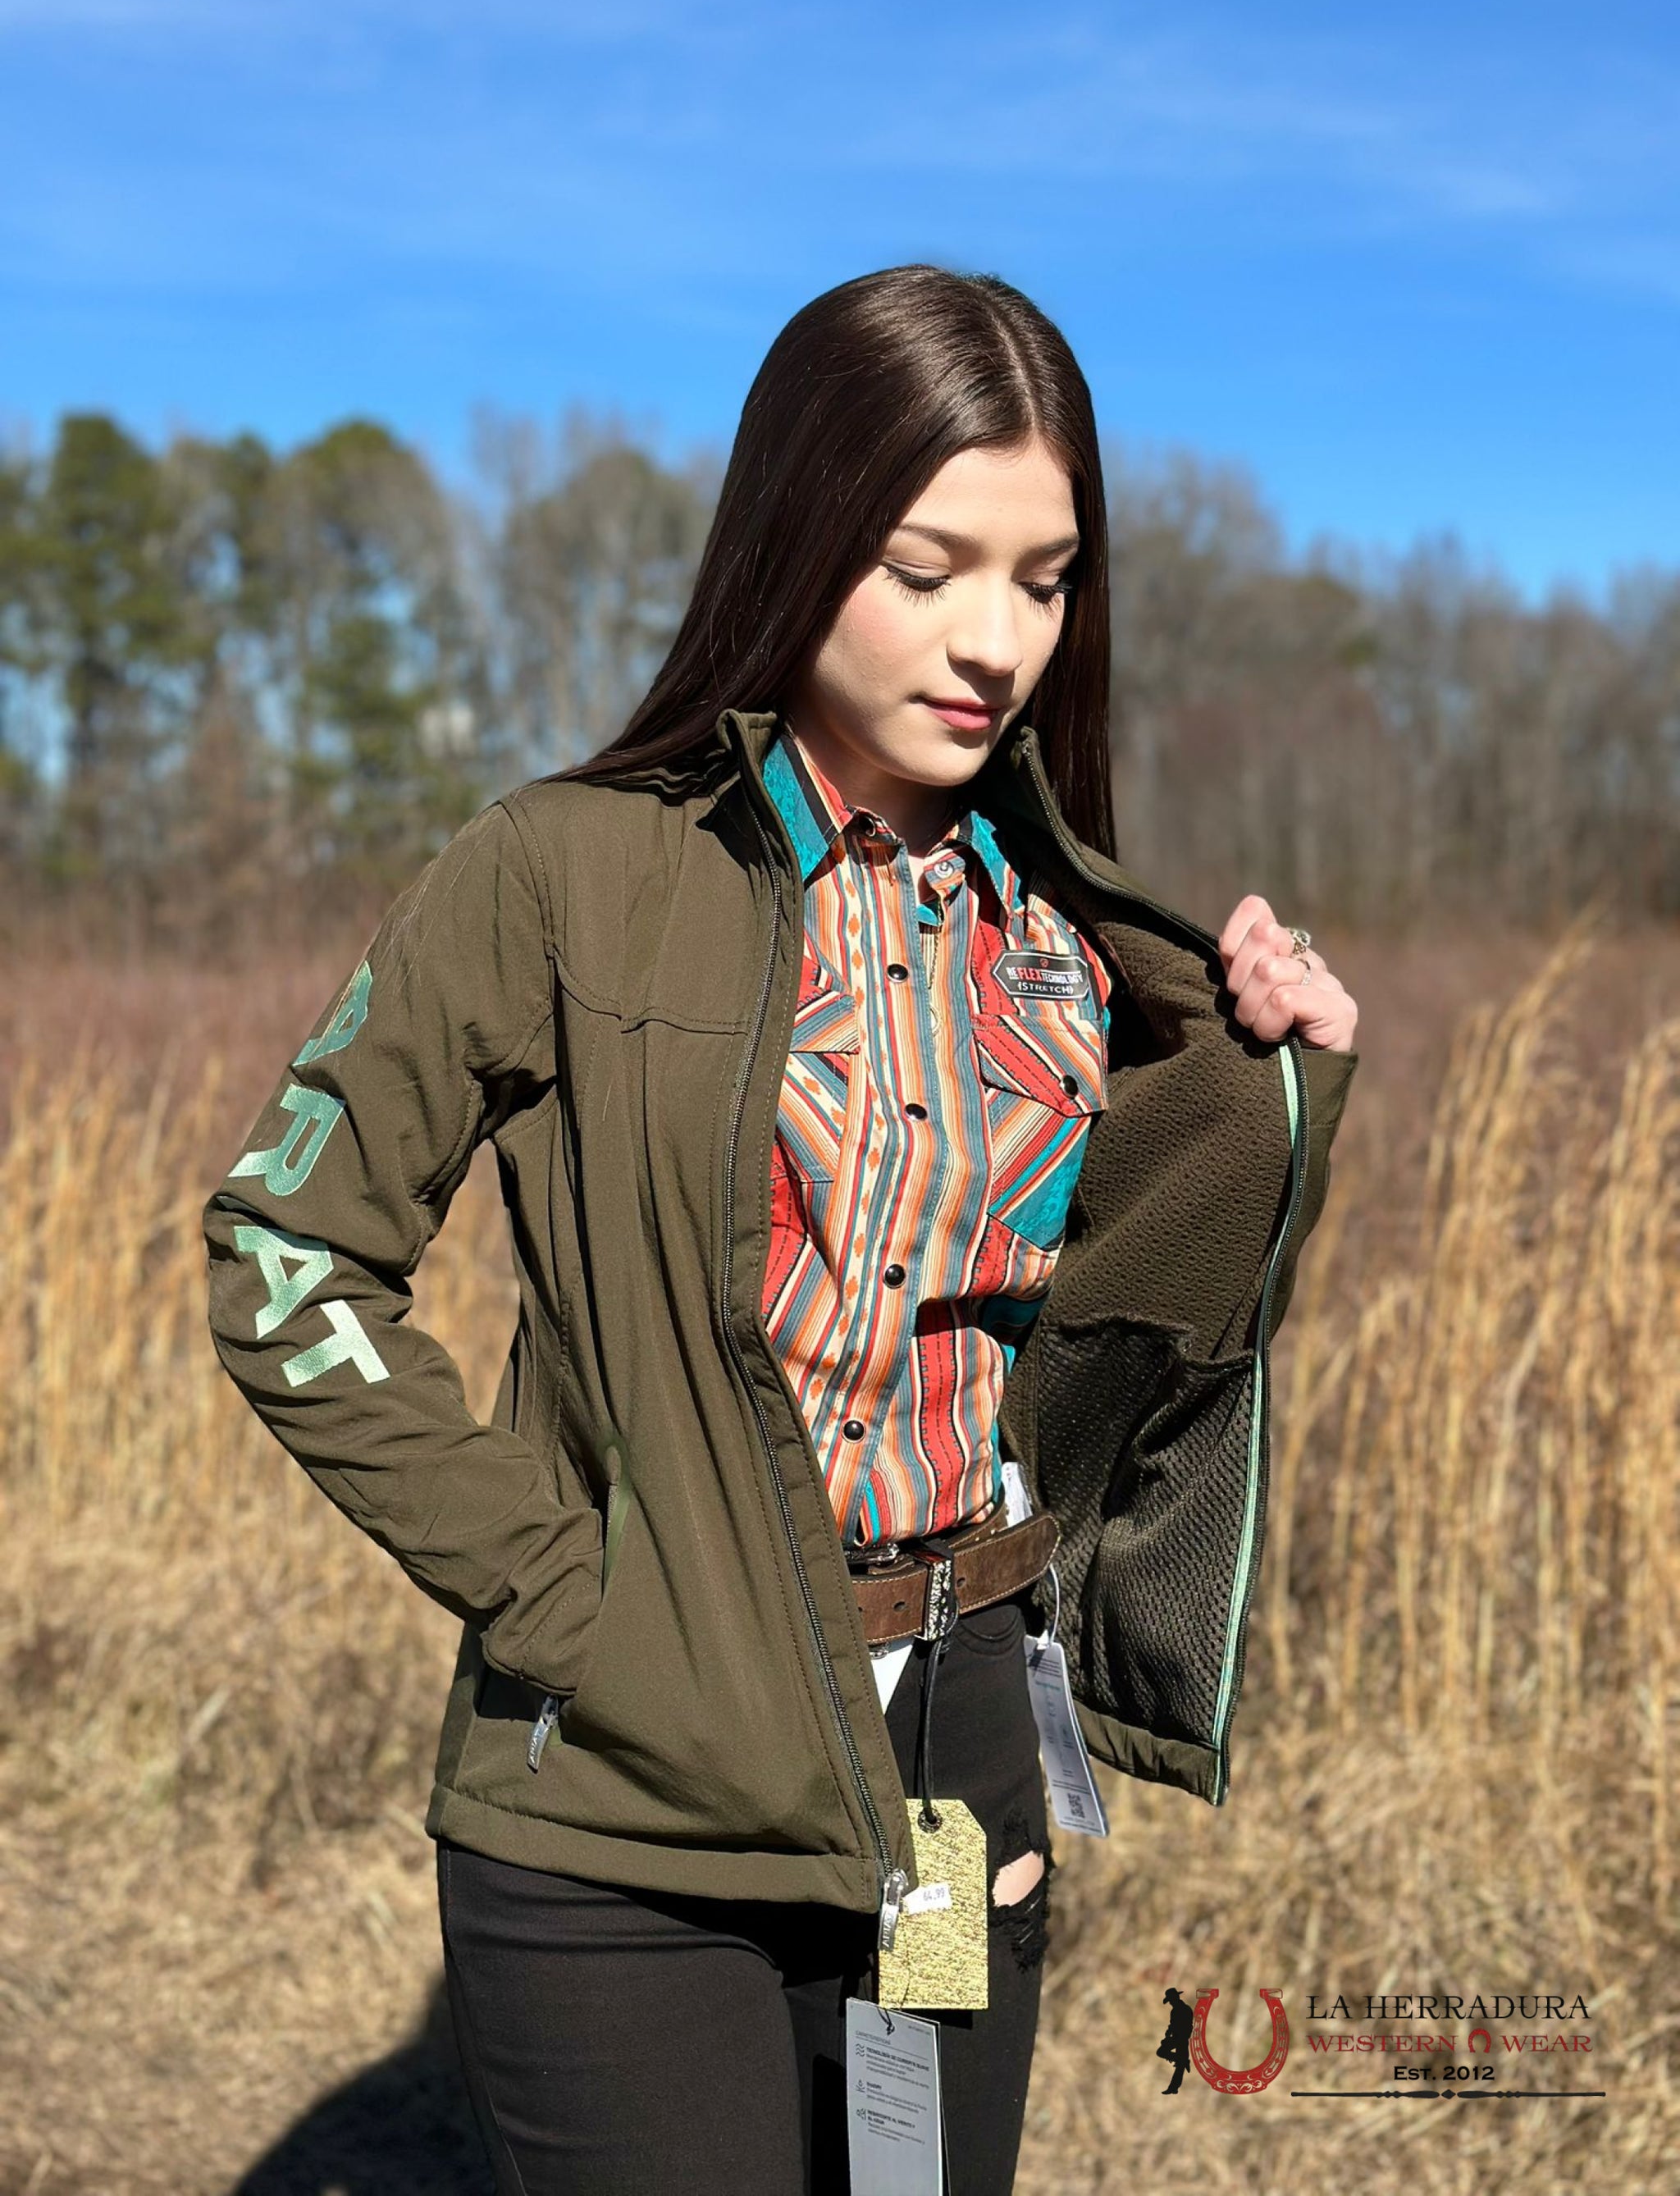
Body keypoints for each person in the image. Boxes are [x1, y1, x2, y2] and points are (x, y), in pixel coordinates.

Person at [203, 263, 1359, 2195]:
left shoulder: (1071, 939)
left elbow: (1123, 1350)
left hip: (956, 1768)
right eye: (926, 564)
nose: (995, 639)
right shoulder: (565, 875)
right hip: (624, 1801)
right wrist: (566, 1592)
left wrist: (1267, 1099)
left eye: (1046, 576)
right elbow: (282, 1247)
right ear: (800, 531)